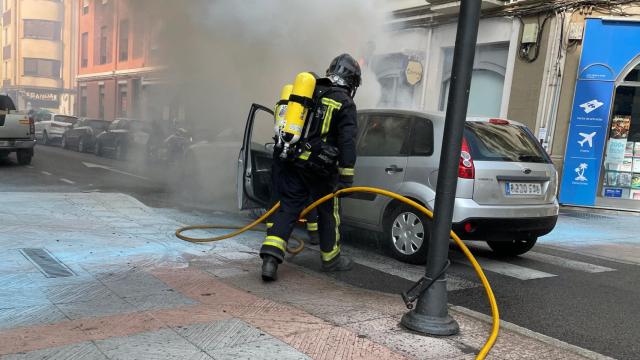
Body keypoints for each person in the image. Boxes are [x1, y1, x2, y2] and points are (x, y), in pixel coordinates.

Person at [260, 54, 361, 281]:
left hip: (294, 161)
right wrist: (346, 177)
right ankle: (331, 259)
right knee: (328, 211)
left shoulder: (311, 91)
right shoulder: (344, 102)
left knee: (288, 208)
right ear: (351, 81)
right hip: (321, 169)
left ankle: (270, 258)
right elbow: (347, 142)